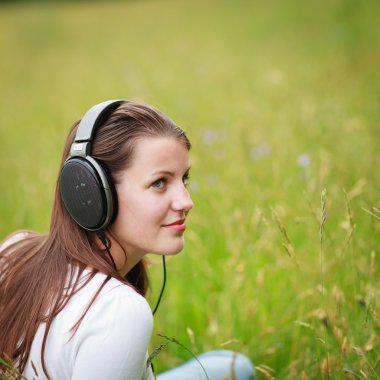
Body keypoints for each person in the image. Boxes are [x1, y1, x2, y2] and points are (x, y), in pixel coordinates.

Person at [0, 100, 255, 380]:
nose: (186, 201)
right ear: (91, 194)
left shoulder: (15, 249)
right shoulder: (120, 312)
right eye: (159, 182)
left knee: (234, 365)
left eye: (184, 178)